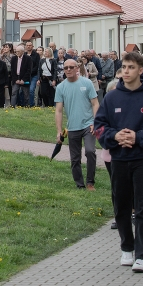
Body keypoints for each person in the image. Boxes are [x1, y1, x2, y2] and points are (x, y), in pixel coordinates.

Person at [94, 51, 143, 273]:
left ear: (140, 70)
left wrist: (138, 137)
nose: (126, 71)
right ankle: (127, 247)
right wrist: (115, 136)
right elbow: (100, 127)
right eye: (124, 67)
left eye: (131, 67)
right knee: (121, 206)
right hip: (119, 159)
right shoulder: (111, 97)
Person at [54, 57, 99, 190]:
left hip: (88, 125)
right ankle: (80, 184)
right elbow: (58, 111)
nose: (68, 70)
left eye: (71, 67)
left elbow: (95, 103)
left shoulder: (87, 83)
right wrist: (59, 131)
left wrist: (96, 122)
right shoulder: (61, 87)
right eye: (66, 68)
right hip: (72, 127)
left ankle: (90, 182)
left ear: (77, 68)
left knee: (90, 151)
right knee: (75, 158)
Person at [9, 43, 31, 107]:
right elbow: (12, 70)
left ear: (22, 52)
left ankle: (27, 106)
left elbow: (29, 70)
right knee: (14, 93)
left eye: (18, 51)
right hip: (16, 78)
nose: (17, 53)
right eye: (16, 51)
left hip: (24, 78)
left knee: (26, 94)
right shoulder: (13, 58)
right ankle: (12, 106)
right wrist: (16, 79)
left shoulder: (28, 58)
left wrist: (23, 80)